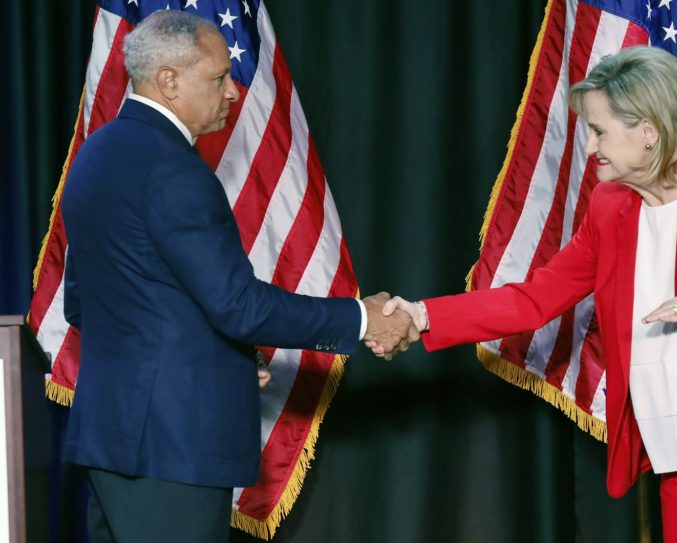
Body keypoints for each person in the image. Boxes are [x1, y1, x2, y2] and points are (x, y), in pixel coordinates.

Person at [374, 46, 677, 542]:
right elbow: (534, 298)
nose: (591, 145)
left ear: (648, 131)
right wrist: (423, 315)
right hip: (675, 445)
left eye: (599, 130)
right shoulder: (608, 207)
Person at [60, 11, 416, 542]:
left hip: (112, 441)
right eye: (220, 77)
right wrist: (361, 318)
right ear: (169, 81)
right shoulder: (174, 168)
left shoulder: (97, 153)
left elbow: (84, 305)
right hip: (173, 449)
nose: (233, 91)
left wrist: (210, 362)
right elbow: (239, 306)